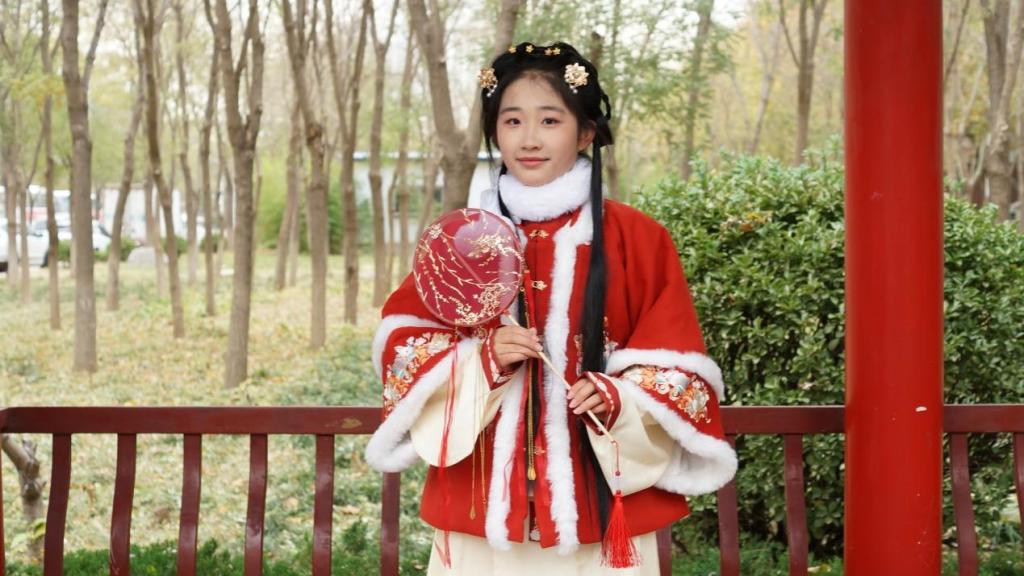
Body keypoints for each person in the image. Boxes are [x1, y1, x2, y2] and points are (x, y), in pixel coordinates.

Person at [365, 41, 736, 575]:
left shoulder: (638, 239)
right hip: (481, 511)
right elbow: (405, 346)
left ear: (585, 132)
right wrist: (483, 360)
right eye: (512, 121)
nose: (530, 139)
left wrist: (620, 398)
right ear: (495, 131)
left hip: (603, 512)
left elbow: (680, 367)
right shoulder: (461, 240)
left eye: (550, 120)